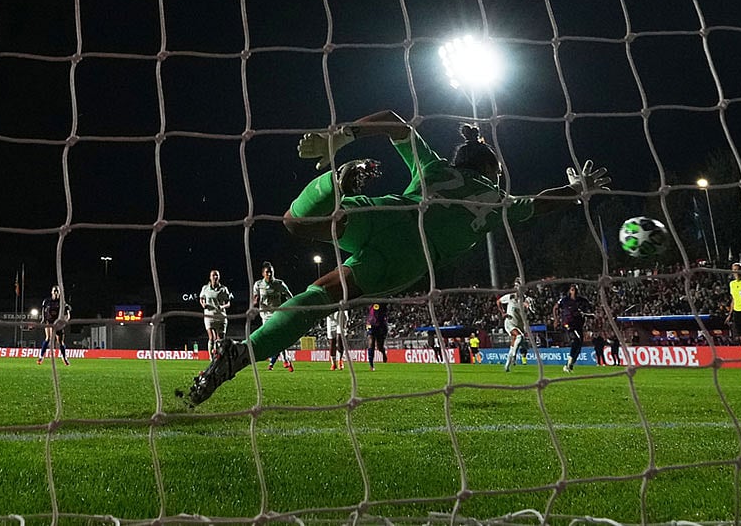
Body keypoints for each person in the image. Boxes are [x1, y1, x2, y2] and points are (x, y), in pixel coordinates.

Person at [180, 109, 610, 406]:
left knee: (297, 223)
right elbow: (543, 201)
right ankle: (240, 356)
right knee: (324, 295)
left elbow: (394, 121)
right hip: (408, 256)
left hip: (392, 213)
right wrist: (576, 192)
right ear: (492, 172)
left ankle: (336, 181)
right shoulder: (499, 201)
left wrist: (341, 135)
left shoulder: (437, 167)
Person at [252, 262, 295, 371]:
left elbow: (289, 295)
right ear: (263, 273)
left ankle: (284, 360)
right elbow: (254, 299)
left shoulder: (279, 283)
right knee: (271, 339)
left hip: (277, 314)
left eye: (271, 272)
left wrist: (291, 306)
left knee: (279, 337)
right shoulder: (258, 284)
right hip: (265, 316)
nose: (269, 274)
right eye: (267, 272)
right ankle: (284, 359)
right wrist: (254, 302)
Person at [497, 278, 533, 372]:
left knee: (514, 345)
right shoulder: (510, 297)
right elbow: (498, 302)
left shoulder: (526, 300)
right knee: (519, 337)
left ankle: (507, 366)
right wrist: (503, 312)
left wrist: (528, 307)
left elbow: (531, 311)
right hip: (510, 322)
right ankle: (514, 356)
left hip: (519, 324)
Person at [553, 284, 591, 373]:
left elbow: (588, 311)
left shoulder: (582, 301)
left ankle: (569, 365)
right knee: (576, 341)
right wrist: (556, 319)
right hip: (568, 324)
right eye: (572, 289)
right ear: (570, 291)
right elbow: (555, 308)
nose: (574, 291)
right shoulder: (565, 300)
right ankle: (569, 364)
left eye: (576, 289)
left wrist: (589, 315)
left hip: (579, 325)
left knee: (579, 346)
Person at [37, 285, 72, 366]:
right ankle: (41, 357)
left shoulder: (62, 302)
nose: (56, 293)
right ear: (52, 292)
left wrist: (65, 321)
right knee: (48, 338)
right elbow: (43, 311)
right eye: (54, 291)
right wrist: (43, 319)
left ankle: (64, 357)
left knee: (60, 341)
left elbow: (68, 314)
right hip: (49, 322)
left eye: (57, 292)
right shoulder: (47, 301)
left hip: (58, 324)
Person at [199, 270, 232, 350]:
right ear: (210, 277)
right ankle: (211, 358)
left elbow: (228, 303)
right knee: (211, 338)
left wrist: (222, 306)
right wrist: (203, 304)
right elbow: (201, 298)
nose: (215, 277)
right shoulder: (205, 288)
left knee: (220, 339)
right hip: (209, 315)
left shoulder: (223, 289)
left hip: (220, 316)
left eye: (217, 275)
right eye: (213, 275)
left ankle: (219, 357)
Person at [366, 303, 389, 370]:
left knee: (379, 346)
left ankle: (383, 352)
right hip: (370, 324)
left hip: (380, 325)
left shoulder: (382, 301)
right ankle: (371, 365)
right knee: (371, 343)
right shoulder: (369, 300)